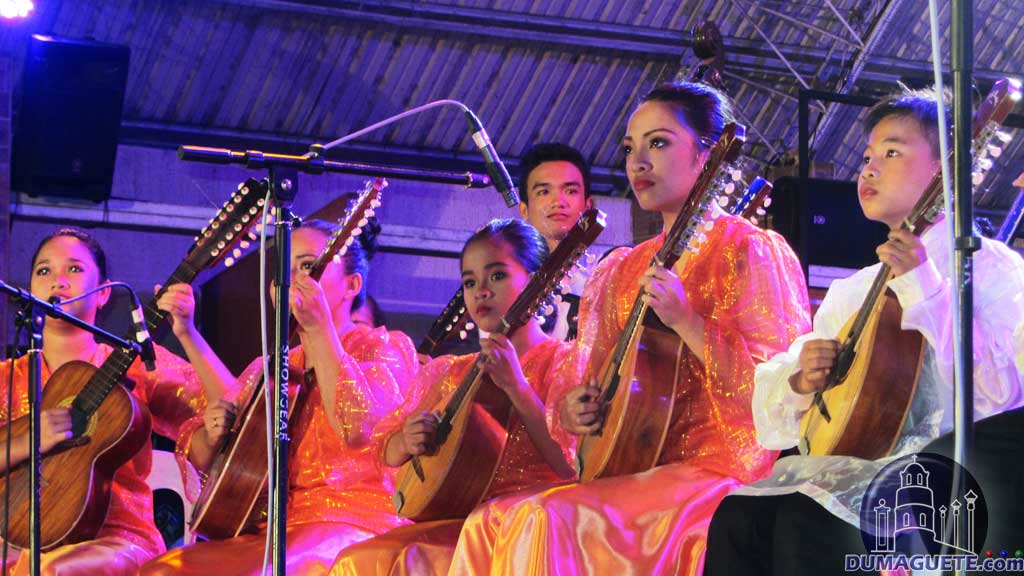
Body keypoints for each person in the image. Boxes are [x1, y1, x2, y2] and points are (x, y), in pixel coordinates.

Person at [448, 81, 811, 575]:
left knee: (541, 516)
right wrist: (577, 410)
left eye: (657, 143)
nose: (637, 161)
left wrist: (688, 321)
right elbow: (583, 387)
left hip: (719, 473)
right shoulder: (619, 270)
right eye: (629, 148)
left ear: (707, 156)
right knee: (490, 523)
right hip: (635, 468)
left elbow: (783, 399)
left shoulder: (749, 250)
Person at [703, 87, 1024, 575]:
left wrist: (925, 289)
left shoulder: (991, 268)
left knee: (805, 520)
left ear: (947, 169)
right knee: (740, 516)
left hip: (950, 485)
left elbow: (1005, 396)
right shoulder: (853, 291)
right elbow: (778, 412)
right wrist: (801, 378)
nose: (869, 168)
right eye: (867, 155)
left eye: (892, 152)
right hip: (852, 472)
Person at [138, 218, 419, 575]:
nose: (293, 279)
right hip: (278, 528)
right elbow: (229, 433)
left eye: (306, 265)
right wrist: (188, 336)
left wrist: (319, 329)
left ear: (352, 284)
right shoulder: (277, 365)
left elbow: (359, 426)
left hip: (355, 523)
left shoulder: (385, 348)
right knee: (163, 570)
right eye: (284, 269)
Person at [330, 218, 578, 576]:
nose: (481, 291)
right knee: (359, 561)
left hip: (533, 524)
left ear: (541, 280)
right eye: (469, 282)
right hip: (459, 517)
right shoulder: (452, 371)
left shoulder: (562, 360)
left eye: (497, 276)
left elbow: (571, 464)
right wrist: (407, 439)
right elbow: (383, 449)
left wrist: (517, 387)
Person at [0, 228, 233, 576]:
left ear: (105, 293)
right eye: (44, 271)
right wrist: (27, 441)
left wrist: (187, 331)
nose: (57, 281)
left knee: (50, 571)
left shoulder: (137, 366)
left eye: (74, 269)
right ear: (30, 291)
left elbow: (235, 401)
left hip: (118, 540)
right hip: (14, 536)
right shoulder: (8, 378)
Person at [516, 143, 595, 340]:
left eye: (570, 191)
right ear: (524, 209)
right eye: (544, 192)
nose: (558, 201)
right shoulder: (507, 284)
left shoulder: (598, 287)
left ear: (587, 206)